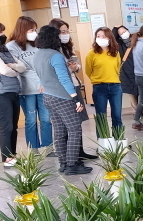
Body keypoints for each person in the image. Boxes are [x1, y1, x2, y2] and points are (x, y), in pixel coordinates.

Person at [34, 25, 92, 176]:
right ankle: (72, 164)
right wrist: (75, 98)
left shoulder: (38, 54)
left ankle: (63, 163)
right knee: (74, 129)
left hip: (48, 96)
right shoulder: (55, 55)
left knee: (59, 131)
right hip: (62, 97)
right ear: (54, 38)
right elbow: (64, 79)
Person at [49, 18, 96, 160]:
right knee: (67, 124)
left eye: (67, 31)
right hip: (63, 89)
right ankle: (70, 156)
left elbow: (77, 64)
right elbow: (56, 71)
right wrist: (68, 69)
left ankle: (79, 151)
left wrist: (75, 67)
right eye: (62, 32)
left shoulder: (67, 47)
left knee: (77, 120)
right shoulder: (51, 50)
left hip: (74, 84)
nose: (66, 34)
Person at [6, 16, 54, 155]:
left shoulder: (37, 44)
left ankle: (48, 147)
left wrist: (43, 81)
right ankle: (33, 149)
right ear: (23, 30)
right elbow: (19, 68)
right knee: (31, 120)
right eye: (31, 29)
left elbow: (44, 64)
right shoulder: (11, 46)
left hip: (43, 87)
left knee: (46, 118)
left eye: (35, 29)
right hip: (25, 89)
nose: (34, 32)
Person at [0, 21, 25, 167]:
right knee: (7, 126)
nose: (2, 35)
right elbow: (4, 71)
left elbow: (22, 67)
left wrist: (11, 67)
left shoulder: (4, 49)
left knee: (13, 126)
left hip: (12, 91)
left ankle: (12, 156)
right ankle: (7, 159)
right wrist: (12, 70)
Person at [85, 27, 122, 134]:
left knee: (117, 116)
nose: (101, 38)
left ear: (110, 38)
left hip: (115, 86)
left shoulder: (115, 52)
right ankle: (103, 144)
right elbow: (88, 70)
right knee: (101, 117)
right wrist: (97, 79)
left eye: (104, 36)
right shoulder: (91, 53)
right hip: (99, 87)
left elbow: (117, 68)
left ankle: (119, 141)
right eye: (98, 36)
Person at [113, 26, 138, 109]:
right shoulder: (119, 45)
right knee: (133, 98)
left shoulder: (136, 41)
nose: (124, 34)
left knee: (142, 95)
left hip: (138, 72)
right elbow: (113, 38)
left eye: (124, 31)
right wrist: (115, 28)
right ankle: (138, 115)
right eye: (121, 33)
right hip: (126, 74)